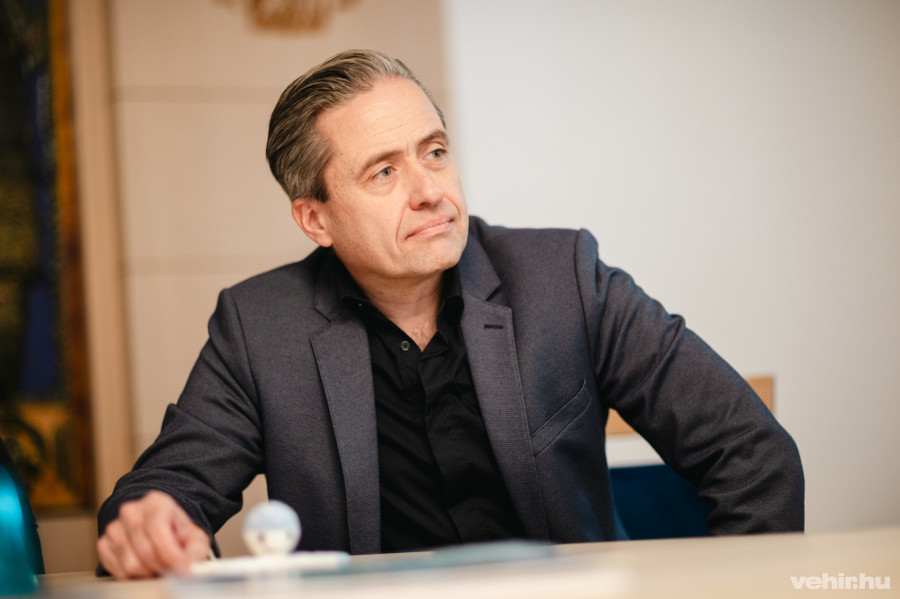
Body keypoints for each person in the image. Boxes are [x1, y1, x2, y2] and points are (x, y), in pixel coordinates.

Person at [96, 49, 804, 579]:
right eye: (384, 171)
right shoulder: (260, 327)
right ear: (316, 219)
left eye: (434, 152)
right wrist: (154, 527)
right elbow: (162, 495)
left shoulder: (563, 278)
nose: (430, 189)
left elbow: (751, 453)